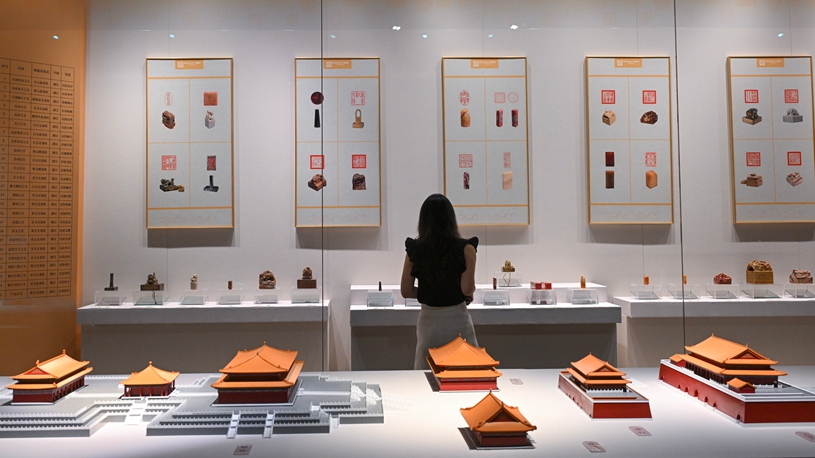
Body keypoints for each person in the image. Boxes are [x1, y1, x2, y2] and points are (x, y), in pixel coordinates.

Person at [401, 193, 478, 370]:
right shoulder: (466, 248)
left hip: (429, 322)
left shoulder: (415, 249)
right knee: (464, 372)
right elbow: (467, 289)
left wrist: (429, 291)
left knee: (427, 373)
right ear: (451, 219)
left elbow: (406, 290)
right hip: (458, 320)